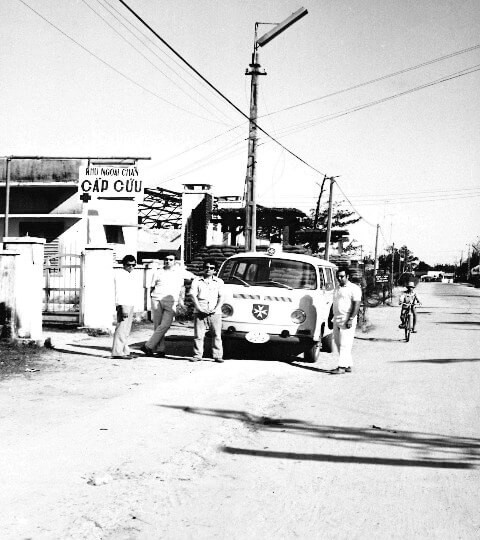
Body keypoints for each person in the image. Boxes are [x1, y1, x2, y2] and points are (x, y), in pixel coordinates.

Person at [141, 254, 192, 357]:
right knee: (158, 325)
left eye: (170, 259)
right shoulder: (158, 272)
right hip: (156, 299)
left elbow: (193, 277)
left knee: (165, 325)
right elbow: (151, 287)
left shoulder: (179, 272)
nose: (168, 261)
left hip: (171, 301)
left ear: (174, 261)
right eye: (166, 259)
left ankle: (148, 346)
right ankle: (160, 350)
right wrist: (151, 298)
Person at [189, 259, 224, 363]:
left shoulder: (219, 282)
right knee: (199, 335)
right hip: (200, 311)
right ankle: (197, 355)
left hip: (215, 312)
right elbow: (192, 295)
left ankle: (218, 356)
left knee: (217, 334)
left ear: (215, 270)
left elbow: (221, 297)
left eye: (211, 268)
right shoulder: (197, 281)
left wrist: (216, 309)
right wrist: (199, 308)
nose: (208, 269)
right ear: (203, 268)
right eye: (207, 267)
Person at [330, 267, 362, 375]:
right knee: (338, 343)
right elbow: (333, 303)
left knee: (345, 343)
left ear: (347, 276)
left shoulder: (354, 288)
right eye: (338, 276)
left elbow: (356, 304)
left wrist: (351, 319)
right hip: (337, 318)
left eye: (342, 276)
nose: (339, 278)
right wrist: (330, 317)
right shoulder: (337, 288)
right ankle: (348, 365)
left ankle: (341, 367)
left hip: (347, 318)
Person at [112, 254, 138, 359]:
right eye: (128, 265)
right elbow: (119, 292)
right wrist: (122, 306)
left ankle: (124, 350)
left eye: (133, 265)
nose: (131, 267)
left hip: (130, 304)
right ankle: (117, 352)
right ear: (124, 265)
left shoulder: (131, 274)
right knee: (121, 328)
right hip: (124, 304)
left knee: (126, 330)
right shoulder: (120, 275)